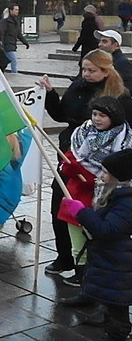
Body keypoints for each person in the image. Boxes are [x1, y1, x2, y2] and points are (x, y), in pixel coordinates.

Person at [39, 49, 132, 277]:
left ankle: (87, 266)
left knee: (91, 215)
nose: (86, 74)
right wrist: (50, 94)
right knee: (60, 204)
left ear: (106, 71)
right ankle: (64, 257)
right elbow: (61, 115)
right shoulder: (77, 87)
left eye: (92, 70)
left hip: (102, 167)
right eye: (84, 69)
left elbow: (124, 134)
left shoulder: (120, 96)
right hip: (71, 154)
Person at [57, 95, 132, 289]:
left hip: (103, 197)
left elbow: (116, 174)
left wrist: (84, 172)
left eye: (102, 116)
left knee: (94, 238)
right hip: (76, 195)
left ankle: (89, 275)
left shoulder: (124, 141)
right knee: (76, 239)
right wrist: (69, 166)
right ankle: (80, 272)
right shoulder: (83, 133)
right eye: (95, 114)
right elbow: (69, 160)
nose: (97, 119)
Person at [59, 148, 132, 341]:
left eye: (106, 172)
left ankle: (117, 334)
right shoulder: (120, 196)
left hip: (119, 263)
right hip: (114, 260)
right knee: (112, 303)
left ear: (120, 177)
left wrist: (82, 212)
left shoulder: (127, 202)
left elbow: (107, 230)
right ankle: (111, 329)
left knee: (117, 308)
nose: (101, 175)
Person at [0, 4, 29, 74]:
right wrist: (1, 44)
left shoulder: (16, 21)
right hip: (6, 45)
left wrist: (25, 42)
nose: (17, 11)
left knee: (5, 62)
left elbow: (19, 34)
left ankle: (0, 73)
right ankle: (15, 74)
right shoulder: (5, 21)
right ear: (11, 11)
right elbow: (1, 33)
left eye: (18, 10)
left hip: (12, 45)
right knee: (13, 61)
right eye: (15, 10)